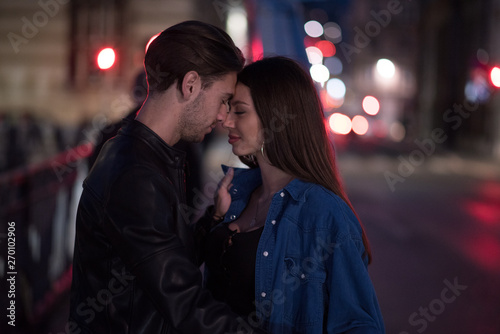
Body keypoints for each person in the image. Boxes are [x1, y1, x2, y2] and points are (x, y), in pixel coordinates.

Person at [69, 20, 266, 334]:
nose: (223, 116)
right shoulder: (137, 175)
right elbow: (185, 304)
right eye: (223, 99)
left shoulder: (142, 152)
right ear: (190, 85)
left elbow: (164, 258)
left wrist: (212, 218)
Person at [198, 56, 385, 333]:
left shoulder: (325, 214)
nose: (224, 120)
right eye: (228, 109)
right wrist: (214, 218)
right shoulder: (234, 197)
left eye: (239, 111)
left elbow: (358, 325)